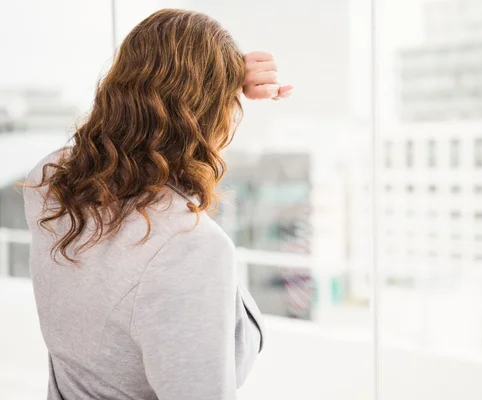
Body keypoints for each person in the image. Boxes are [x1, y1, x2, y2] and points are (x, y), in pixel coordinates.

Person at [22, 9, 292, 400]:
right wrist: (222, 83)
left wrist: (223, 75)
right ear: (211, 112)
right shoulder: (188, 247)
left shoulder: (49, 181)